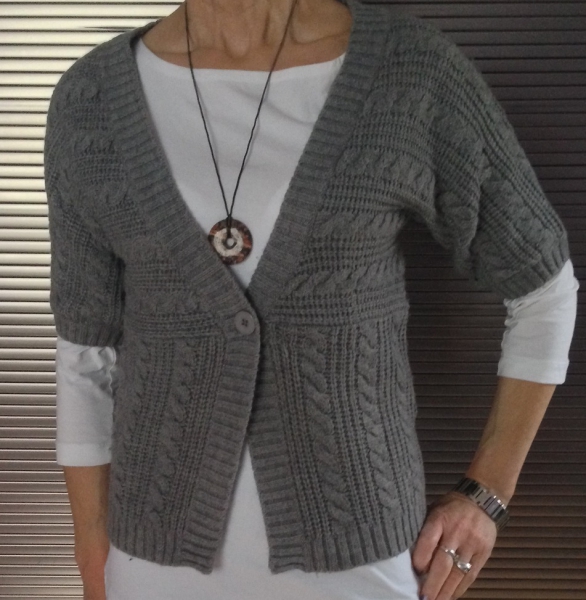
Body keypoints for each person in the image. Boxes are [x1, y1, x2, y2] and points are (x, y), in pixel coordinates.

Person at [44, 0, 579, 599]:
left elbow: (544, 288)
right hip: (151, 558)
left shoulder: (409, 71)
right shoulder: (92, 99)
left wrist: (488, 492)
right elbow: (85, 348)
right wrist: (91, 541)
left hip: (362, 559)